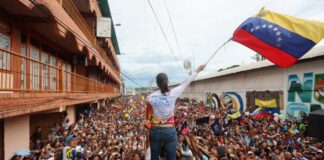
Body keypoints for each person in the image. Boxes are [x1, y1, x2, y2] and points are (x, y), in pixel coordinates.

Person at [147, 64, 206, 160]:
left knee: (154, 157)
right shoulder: (173, 93)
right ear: (167, 82)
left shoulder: (150, 97)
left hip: (155, 130)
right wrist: (197, 70)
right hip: (169, 130)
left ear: (157, 84)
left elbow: (148, 114)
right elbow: (186, 83)